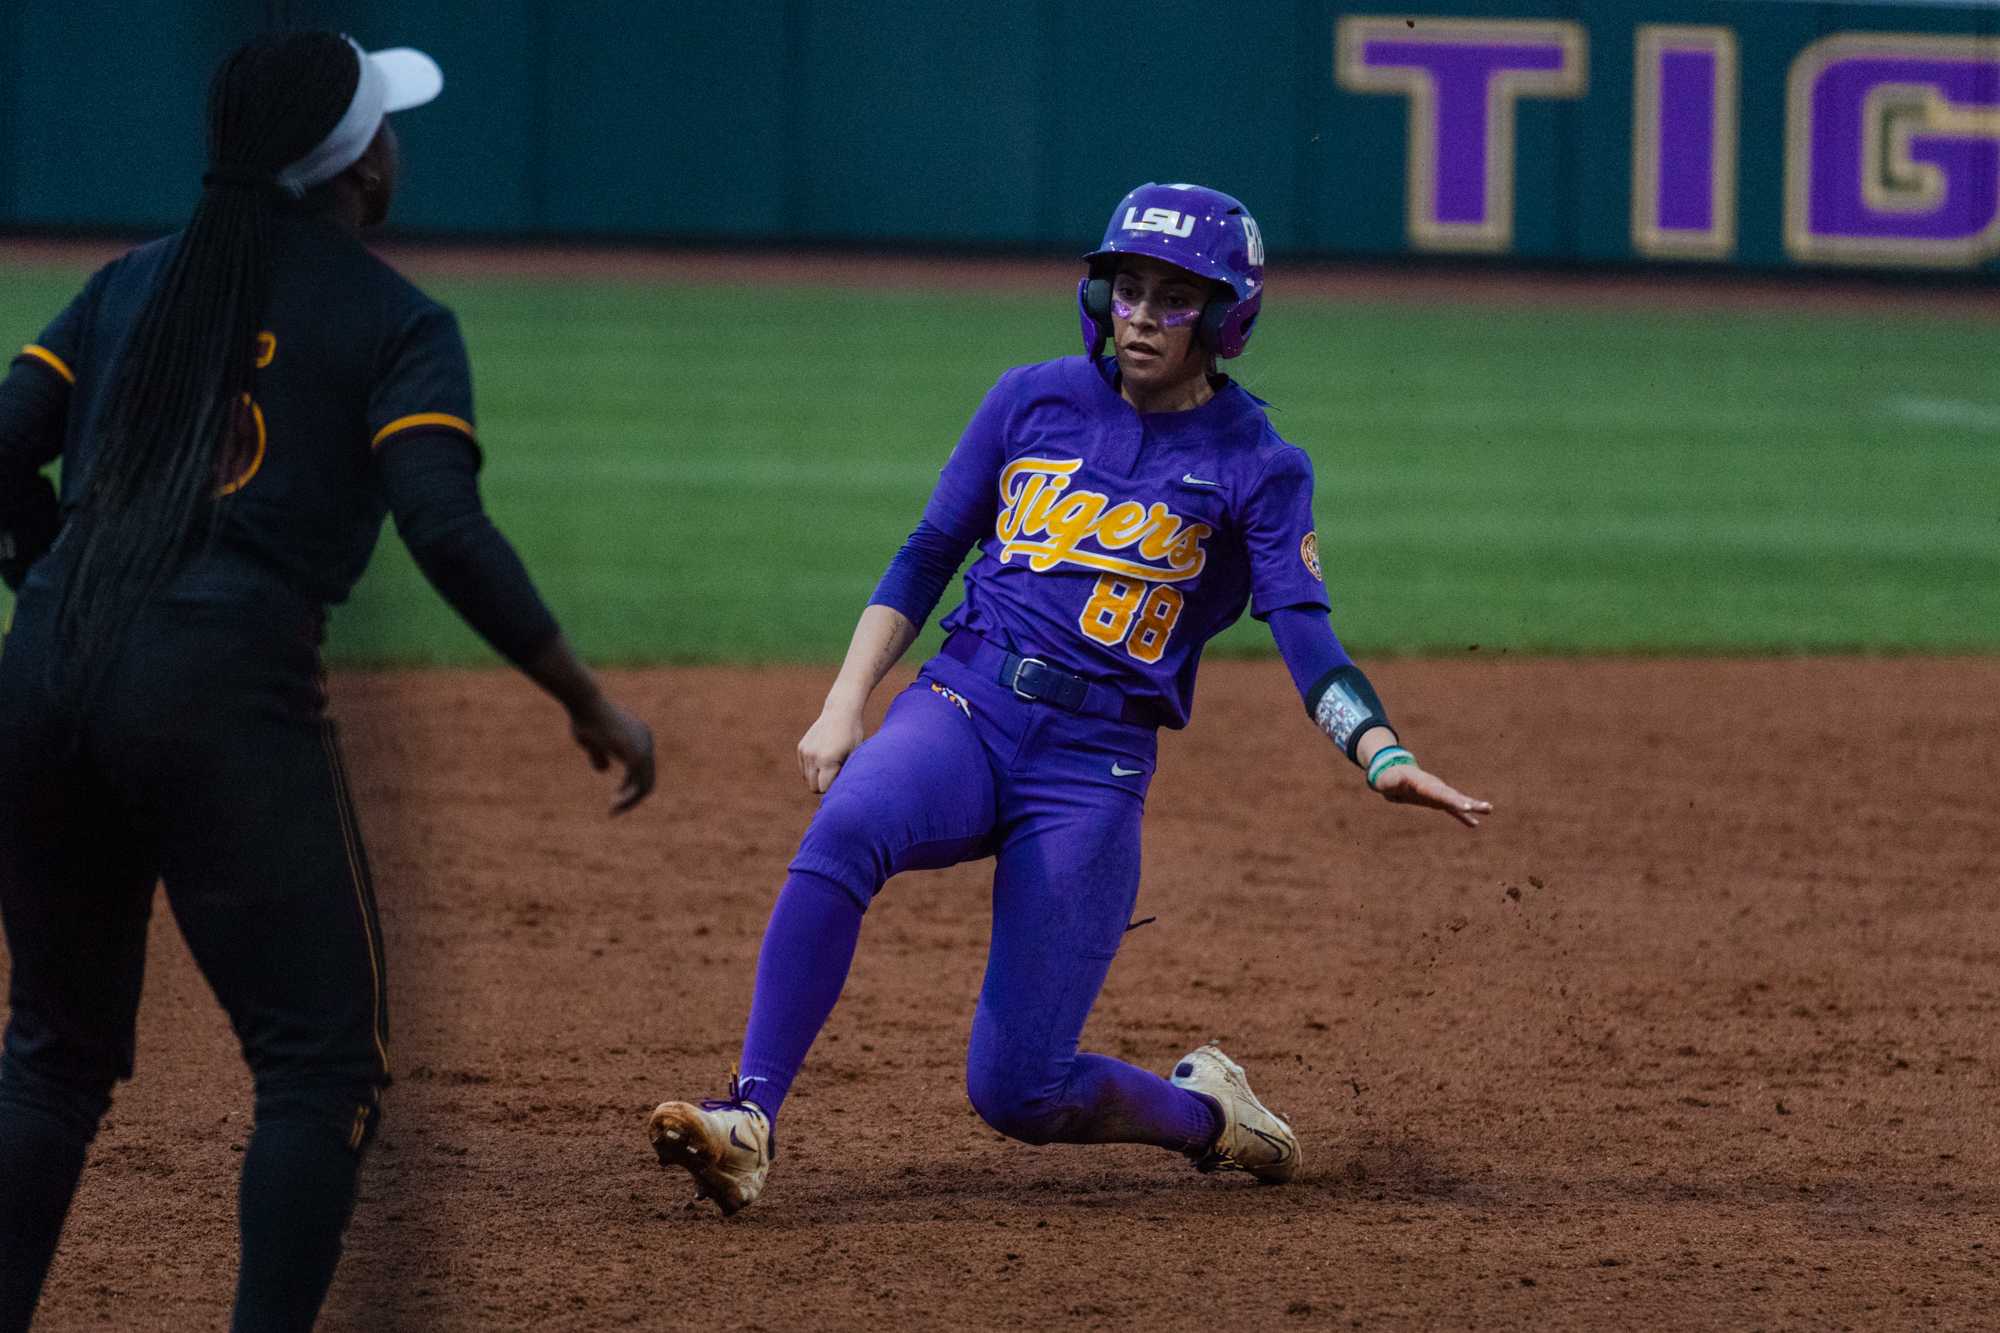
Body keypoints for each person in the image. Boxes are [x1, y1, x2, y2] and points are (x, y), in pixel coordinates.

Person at [645, 182, 1489, 1216]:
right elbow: (924, 557)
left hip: (1092, 767)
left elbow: (1305, 634)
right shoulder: (1030, 398)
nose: (1139, 315)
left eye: (1173, 299)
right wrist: (843, 699)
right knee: (849, 821)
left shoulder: (1258, 466)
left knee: (1017, 1090)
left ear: (1225, 318)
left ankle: (1212, 1118)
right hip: (964, 703)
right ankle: (748, 1117)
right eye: (1125, 289)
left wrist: (1378, 752)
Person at [0, 31, 653, 1331]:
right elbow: (446, 527)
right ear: (356, 169)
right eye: (386, 126)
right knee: (320, 1070)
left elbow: (5, 447)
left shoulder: (129, 282)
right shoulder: (392, 318)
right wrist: (585, 698)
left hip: (45, 676)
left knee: (52, 1058)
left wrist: (50, 576)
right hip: (222, 697)